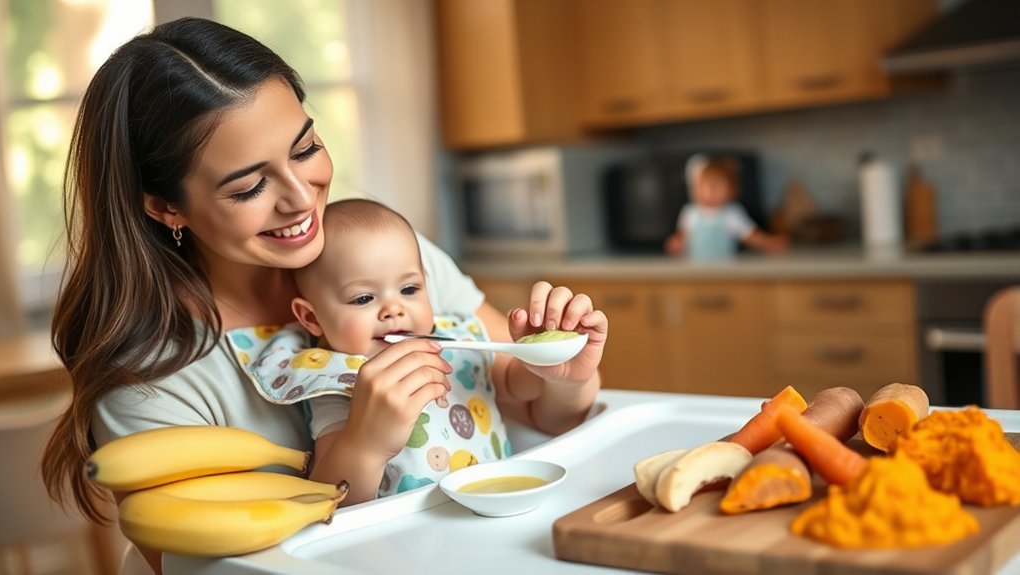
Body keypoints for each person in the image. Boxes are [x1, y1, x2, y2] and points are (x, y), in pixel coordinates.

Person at [39, 17, 604, 575]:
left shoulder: (383, 255)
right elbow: (202, 566)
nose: (299, 199)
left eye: (306, 148)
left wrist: (564, 378)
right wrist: (359, 444)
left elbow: (529, 410)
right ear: (166, 206)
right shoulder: (150, 374)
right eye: (249, 186)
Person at [241, 198, 604, 503]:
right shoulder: (338, 376)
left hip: (502, 502)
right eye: (364, 298)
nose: (394, 309)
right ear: (311, 317)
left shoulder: (455, 341)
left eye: (410, 290)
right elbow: (332, 498)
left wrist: (545, 363)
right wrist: (366, 444)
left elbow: (520, 387)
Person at [664, 157, 789, 259]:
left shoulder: (732, 214)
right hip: (696, 270)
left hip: (725, 270)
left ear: (731, 190)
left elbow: (750, 236)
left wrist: (768, 243)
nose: (708, 192)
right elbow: (683, 236)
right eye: (702, 186)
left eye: (715, 186)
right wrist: (676, 243)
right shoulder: (690, 213)